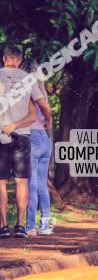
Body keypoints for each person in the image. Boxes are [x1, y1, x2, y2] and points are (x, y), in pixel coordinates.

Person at [0, 45, 41, 238]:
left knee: (0, 184)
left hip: (1, 137)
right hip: (22, 136)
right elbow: (33, 115)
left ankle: (3, 227)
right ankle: (20, 226)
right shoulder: (27, 79)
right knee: (21, 182)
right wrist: (16, 125)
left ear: (4, 59)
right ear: (19, 60)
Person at [20, 58, 54, 235]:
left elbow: (40, 109)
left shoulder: (26, 88)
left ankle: (30, 226)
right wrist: (48, 121)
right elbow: (46, 108)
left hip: (32, 137)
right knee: (41, 184)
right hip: (44, 139)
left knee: (32, 184)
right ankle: (45, 225)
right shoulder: (42, 88)